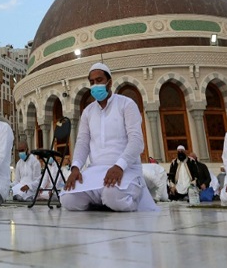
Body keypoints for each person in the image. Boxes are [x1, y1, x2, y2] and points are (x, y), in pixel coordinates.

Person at [62, 62, 157, 212]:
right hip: (96, 170)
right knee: (68, 198)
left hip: (126, 169)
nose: (95, 85)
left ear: (109, 82)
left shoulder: (126, 104)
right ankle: (101, 201)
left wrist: (119, 165)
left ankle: (128, 200)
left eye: (99, 80)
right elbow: (82, 143)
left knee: (113, 195)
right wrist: (75, 168)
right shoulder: (88, 111)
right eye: (92, 82)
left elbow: (137, 142)